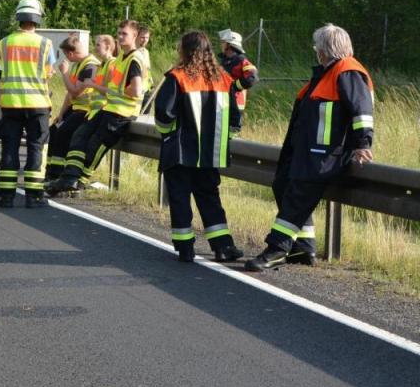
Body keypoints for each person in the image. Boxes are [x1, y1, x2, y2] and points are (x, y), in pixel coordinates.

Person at [245, 24, 374, 271]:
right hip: (306, 151)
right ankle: (303, 249)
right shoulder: (327, 74)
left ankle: (276, 250)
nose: (316, 51)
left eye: (318, 47)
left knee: (296, 198)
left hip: (325, 155)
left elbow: (362, 111)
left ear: (325, 50)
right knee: (282, 185)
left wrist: (362, 143)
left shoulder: (348, 71)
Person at [155, 31, 243, 263]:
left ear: (185, 50)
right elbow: (235, 118)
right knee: (210, 197)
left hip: (181, 152)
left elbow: (163, 116)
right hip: (210, 153)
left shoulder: (178, 77)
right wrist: (223, 141)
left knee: (179, 197)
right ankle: (223, 247)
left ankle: (186, 249)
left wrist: (169, 136)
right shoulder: (224, 79)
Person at [47, 20, 144, 196]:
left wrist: (117, 92)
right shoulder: (122, 58)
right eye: (119, 33)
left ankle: (78, 182)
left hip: (122, 113)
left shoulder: (134, 59)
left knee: (94, 145)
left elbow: (136, 90)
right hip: (107, 108)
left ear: (135, 36)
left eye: (125, 34)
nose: (120, 36)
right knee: (79, 135)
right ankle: (68, 178)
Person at [0, 0, 55, 208]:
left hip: (11, 103)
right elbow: (48, 74)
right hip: (38, 103)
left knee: (9, 148)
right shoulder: (45, 44)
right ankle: (33, 196)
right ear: (37, 18)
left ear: (19, 17)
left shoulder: (5, 43)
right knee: (36, 147)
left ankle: (6, 196)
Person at [45, 36, 100, 181]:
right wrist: (61, 114)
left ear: (70, 53)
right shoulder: (77, 65)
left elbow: (76, 92)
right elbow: (69, 94)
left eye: (65, 55)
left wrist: (64, 73)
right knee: (54, 130)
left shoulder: (90, 66)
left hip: (86, 110)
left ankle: (57, 174)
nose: (66, 59)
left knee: (63, 133)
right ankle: (50, 170)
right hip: (75, 108)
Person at [217, 29, 258, 129]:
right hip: (223, 103)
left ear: (230, 45)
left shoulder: (241, 60)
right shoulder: (225, 61)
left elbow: (252, 77)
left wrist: (234, 86)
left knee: (232, 132)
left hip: (235, 104)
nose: (221, 45)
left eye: (223, 42)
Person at [135, 25, 153, 111]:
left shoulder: (146, 52)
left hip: (147, 90)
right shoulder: (132, 52)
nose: (145, 40)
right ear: (136, 36)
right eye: (142, 37)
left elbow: (147, 69)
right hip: (137, 92)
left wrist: (151, 82)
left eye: (147, 37)